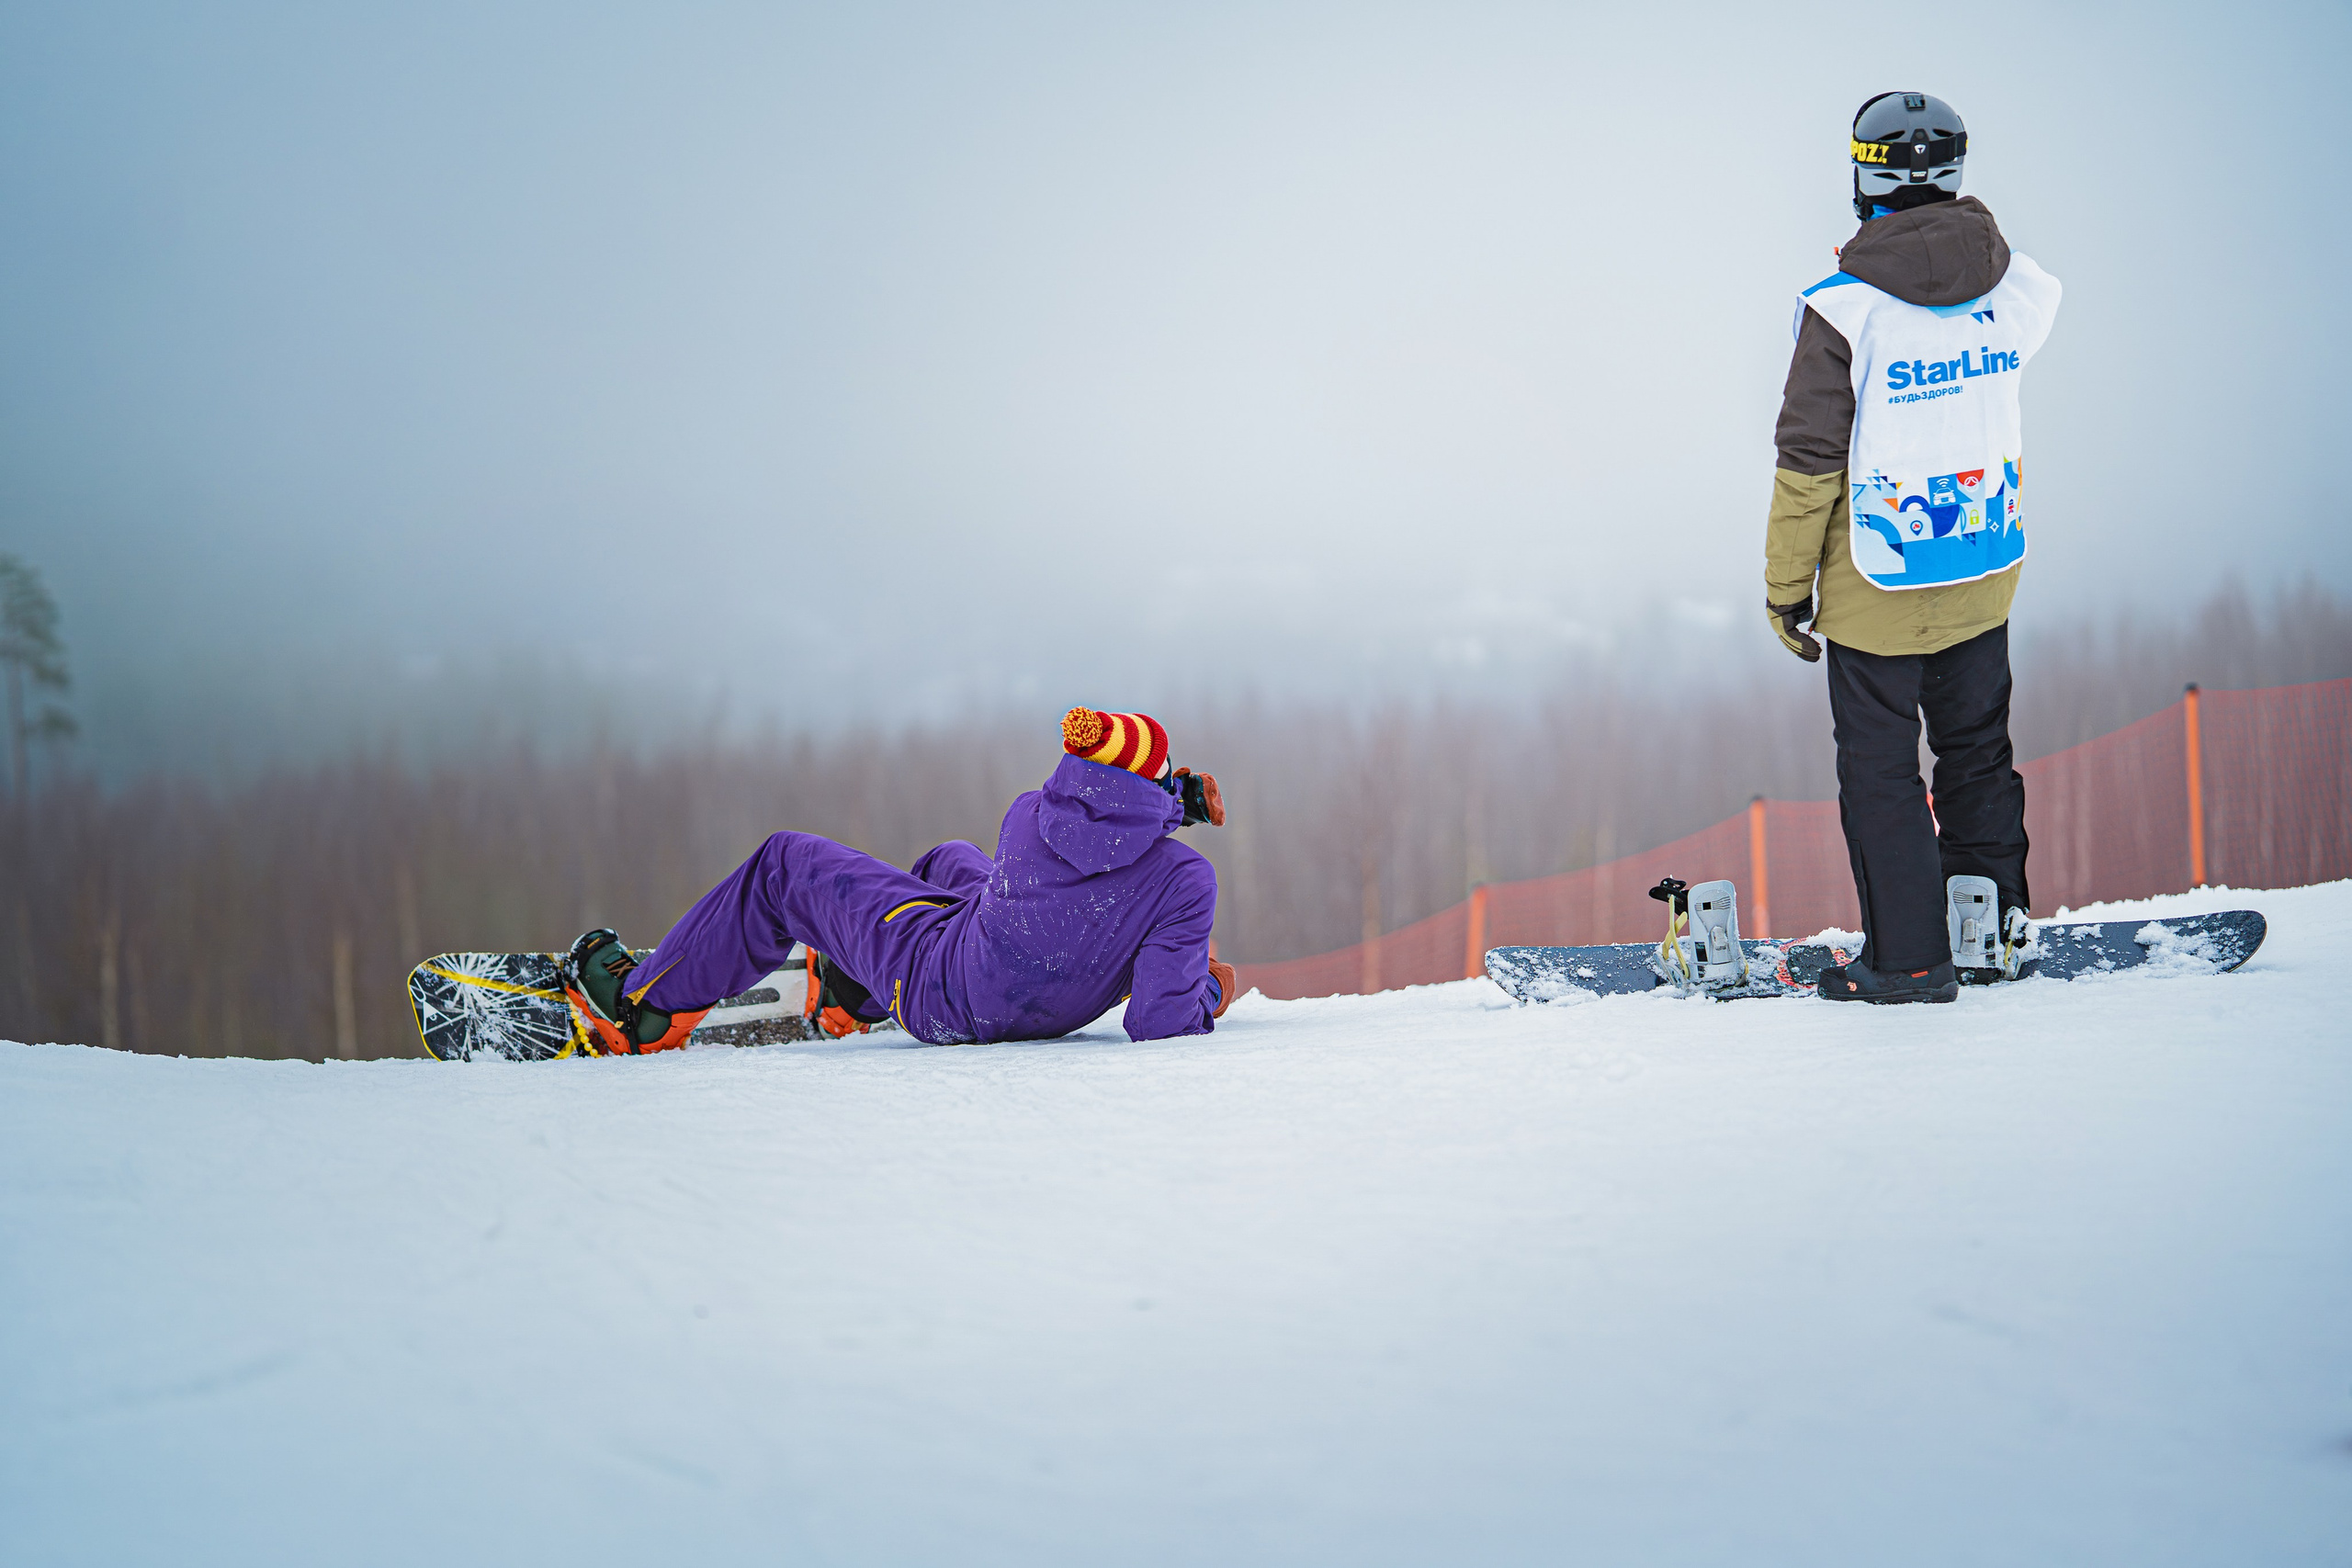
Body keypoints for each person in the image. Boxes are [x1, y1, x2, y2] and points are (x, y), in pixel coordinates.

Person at [1764, 92, 2061, 1003]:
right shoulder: (2015, 288)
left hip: (1877, 582)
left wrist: (1787, 590)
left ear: (1864, 176)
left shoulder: (1843, 310)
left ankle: (1912, 959)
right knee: (1977, 752)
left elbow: (1808, 465)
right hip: (1981, 561)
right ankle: (1991, 931)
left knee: (1883, 773)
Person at [563, 707, 1237, 1051]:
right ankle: (849, 994)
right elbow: (1162, 1020)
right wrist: (1207, 985)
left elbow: (1095, 820)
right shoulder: (1186, 883)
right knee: (949, 858)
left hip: (938, 990)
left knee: (782, 863)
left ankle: (642, 1010)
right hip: (1030, 998)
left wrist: (1163, 799)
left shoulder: (1030, 817)